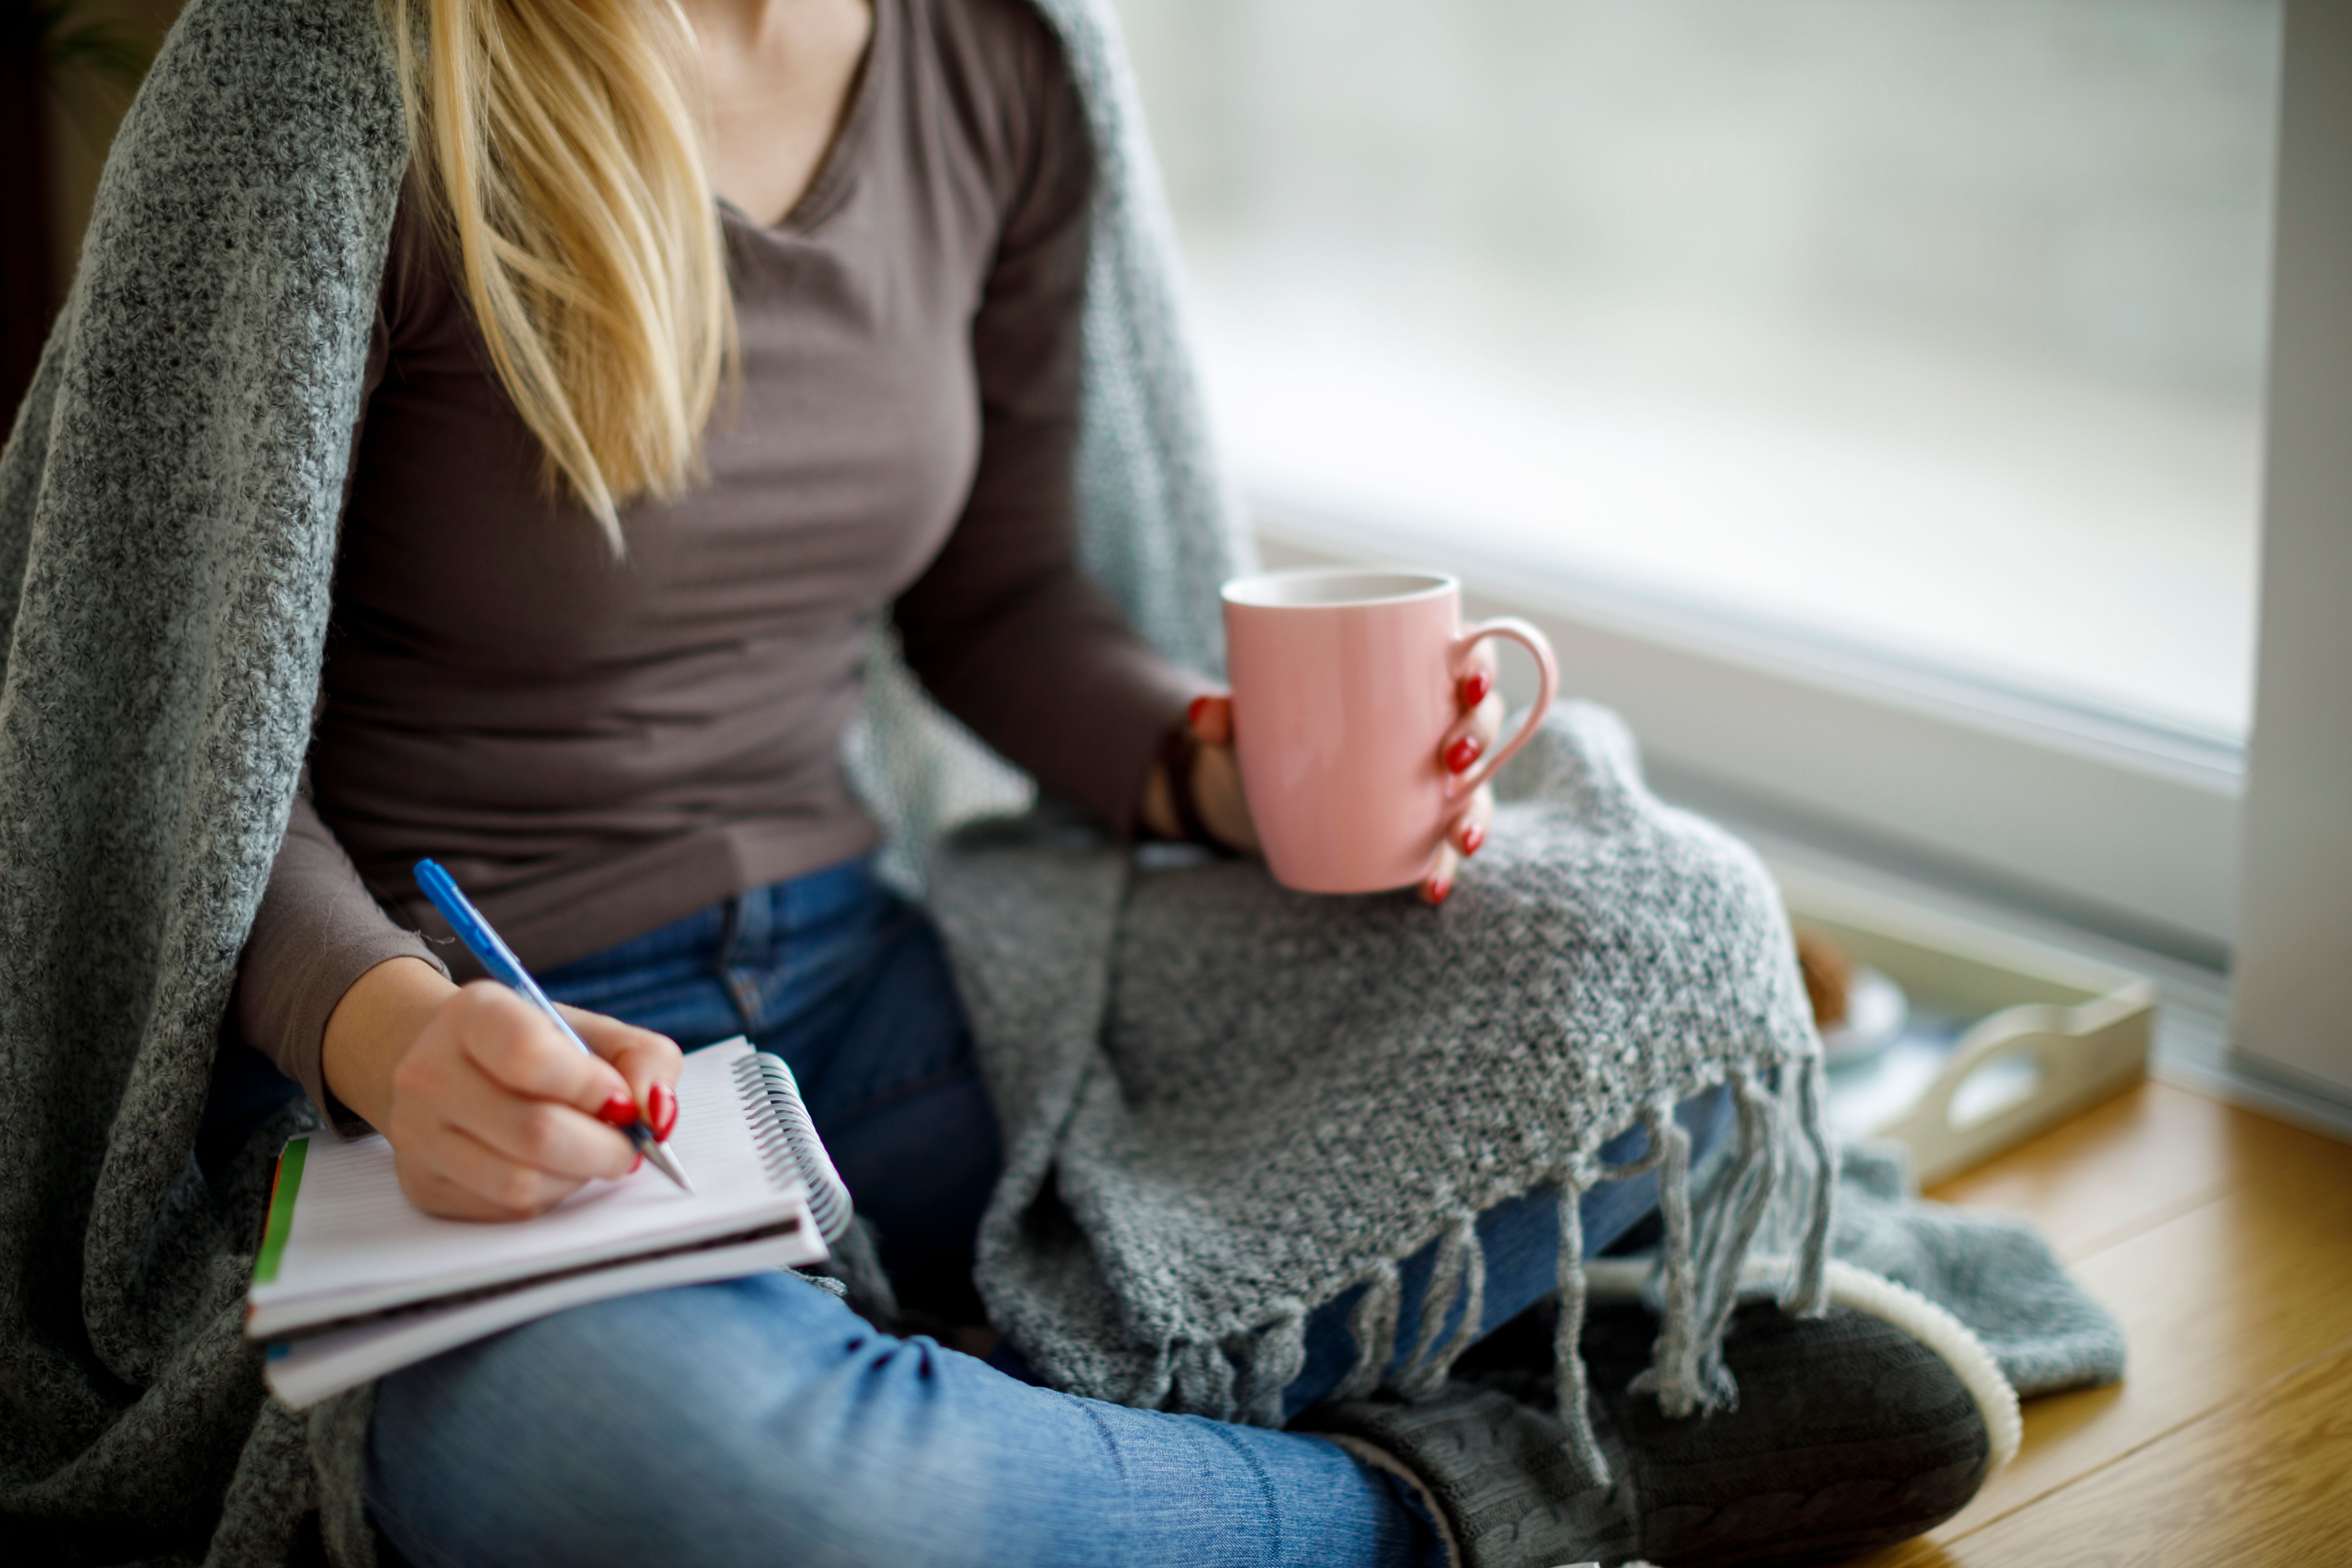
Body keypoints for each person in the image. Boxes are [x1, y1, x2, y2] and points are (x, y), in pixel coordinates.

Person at [16, 0, 1994, 1563]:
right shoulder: (329, 64)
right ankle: (1499, 1492)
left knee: (1652, 949)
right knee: (714, 1485)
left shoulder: (1002, 44)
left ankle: (999, 1422)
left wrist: (1211, 773)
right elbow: (156, 732)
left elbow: (1009, 597)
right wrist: (392, 1041)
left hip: (877, 1005)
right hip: (487, 1088)